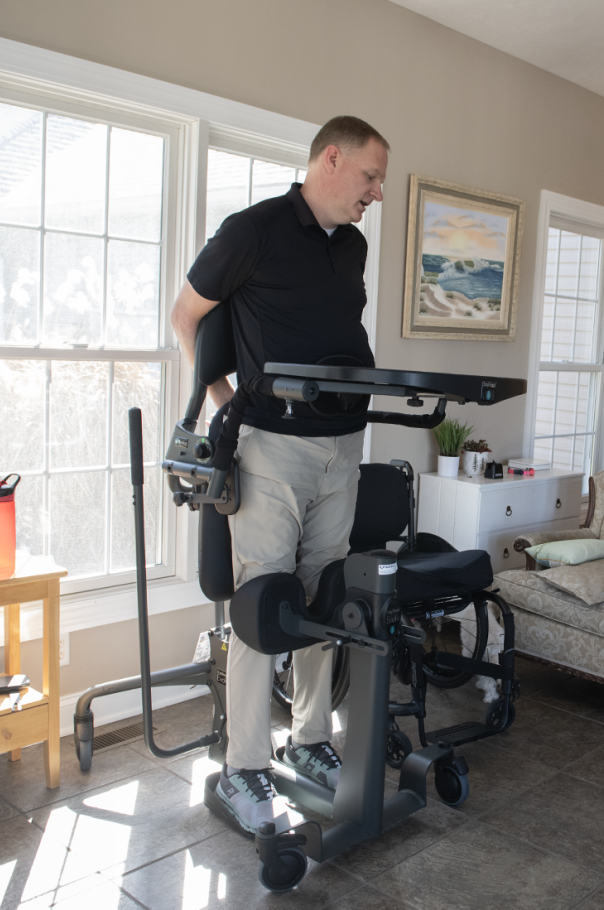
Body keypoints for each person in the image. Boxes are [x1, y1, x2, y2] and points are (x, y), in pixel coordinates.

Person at [170, 116, 389, 834]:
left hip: (343, 444)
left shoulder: (351, 245)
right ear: (332, 158)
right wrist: (227, 403)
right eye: (370, 176)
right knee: (266, 601)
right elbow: (186, 317)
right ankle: (244, 768)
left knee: (325, 596)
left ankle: (313, 741)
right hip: (273, 446)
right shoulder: (254, 229)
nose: (376, 193)